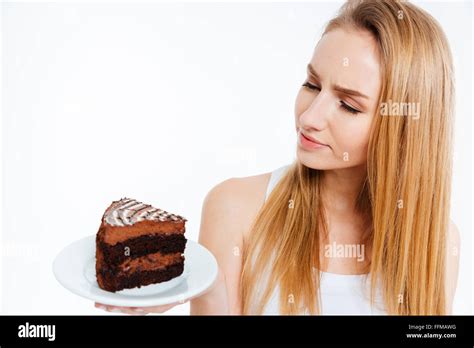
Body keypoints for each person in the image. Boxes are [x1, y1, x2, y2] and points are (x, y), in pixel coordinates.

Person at [96, 0, 460, 315]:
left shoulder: (438, 244)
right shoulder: (235, 209)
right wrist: (196, 289)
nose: (309, 117)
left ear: (405, 128)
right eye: (312, 85)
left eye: (348, 105)